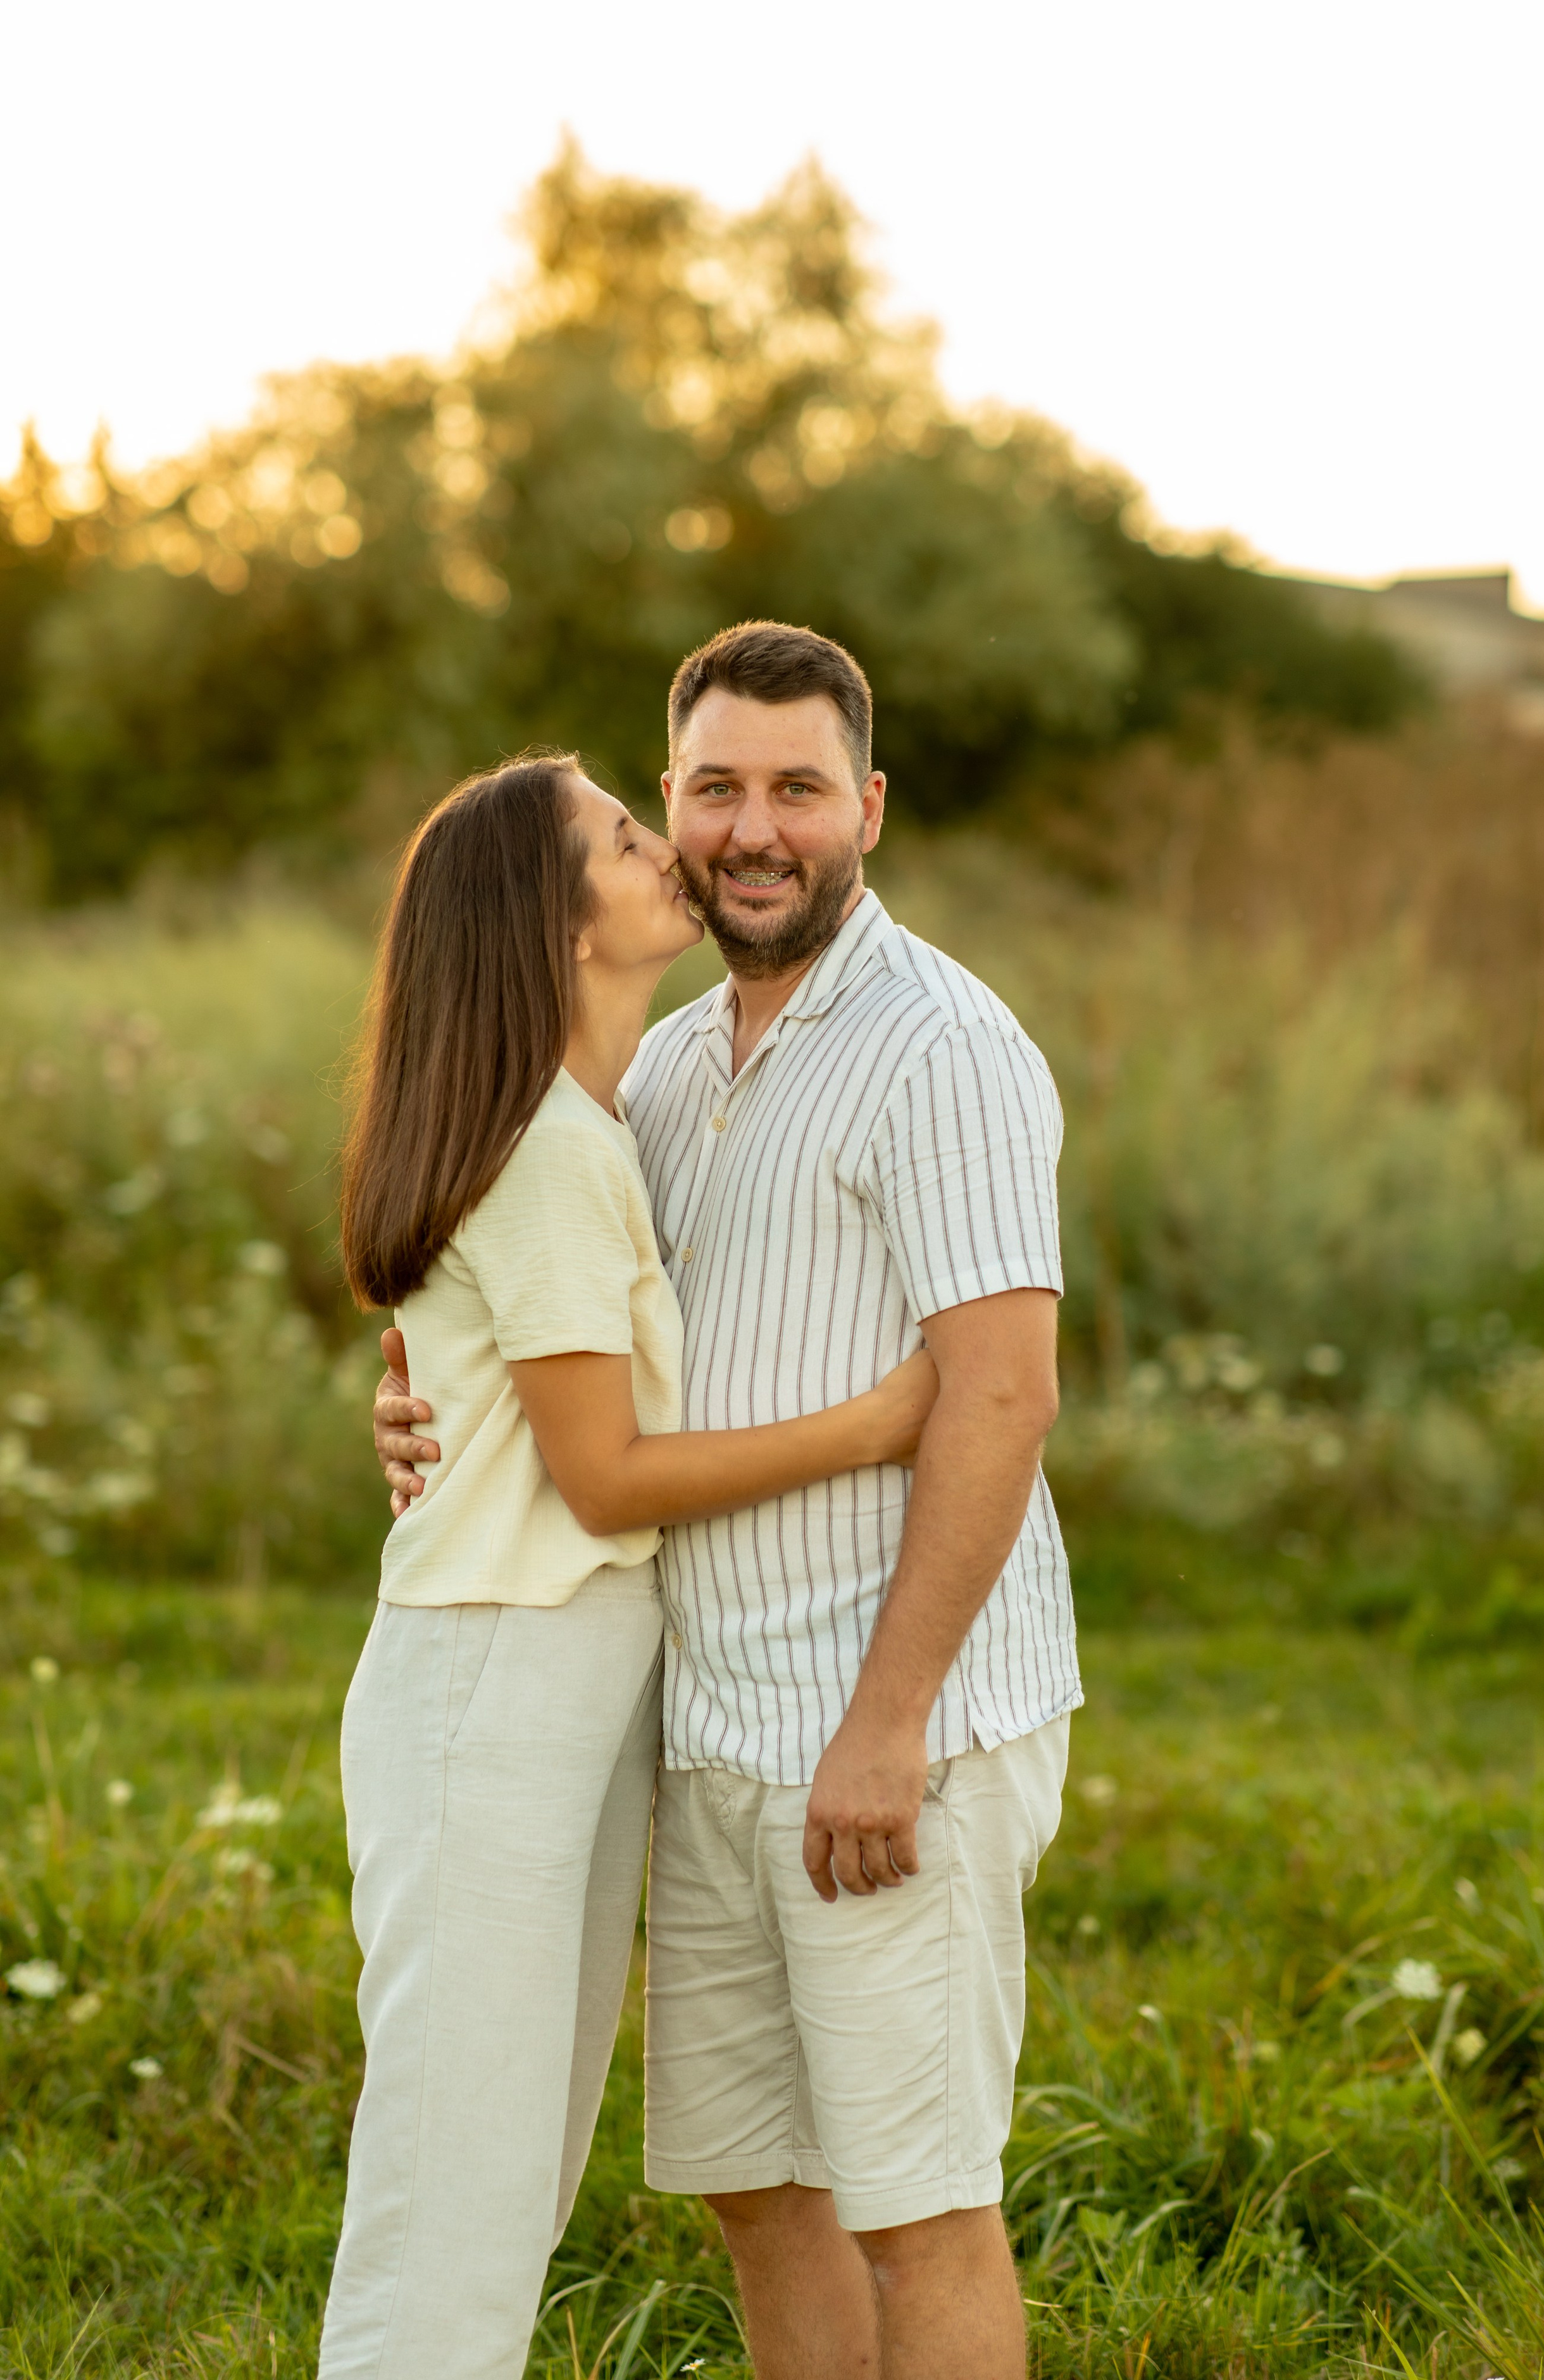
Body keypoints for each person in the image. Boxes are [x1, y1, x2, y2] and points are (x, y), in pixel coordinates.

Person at [377, 623, 1081, 2380]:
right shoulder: (665, 1069)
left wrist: (890, 1721)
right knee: (763, 2192)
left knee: (918, 2208)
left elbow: (1002, 1398)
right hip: (710, 1729)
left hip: (886, 1728)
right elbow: (565, 1334)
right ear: (671, 801)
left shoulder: (943, 1049)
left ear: (871, 808)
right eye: (712, 789)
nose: (753, 829)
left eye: (798, 789)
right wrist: (422, 1402)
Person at [322, 751, 937, 2380]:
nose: (663, 846)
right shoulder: (542, 1148)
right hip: (495, 1679)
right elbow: (598, 1479)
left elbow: (501, 1381)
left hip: (565, 1677)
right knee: (455, 2179)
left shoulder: (594, 1118)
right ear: (554, 920)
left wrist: (430, 1402)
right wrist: (876, 1424)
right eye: (618, 836)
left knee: (513, 2165)